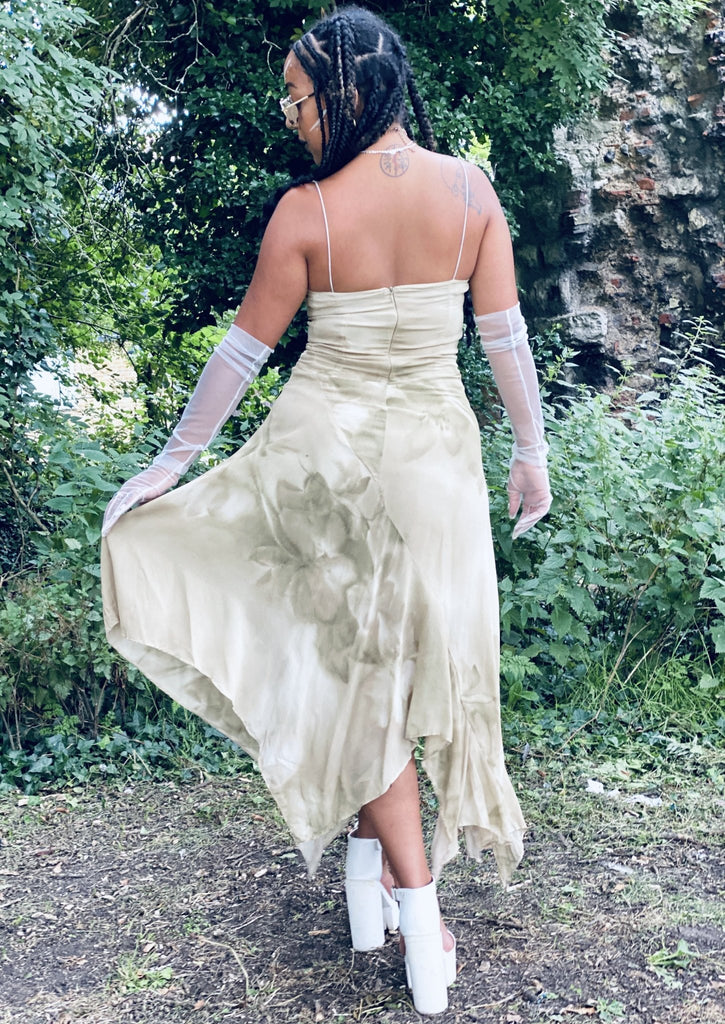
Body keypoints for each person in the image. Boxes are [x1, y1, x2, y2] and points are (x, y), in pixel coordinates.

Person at [101, 5, 551, 1015]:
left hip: (323, 463)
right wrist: (529, 453)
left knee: (356, 672)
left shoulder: (305, 213)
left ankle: (406, 907)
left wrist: (172, 463)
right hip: (433, 463)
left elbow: (240, 353)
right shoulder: (468, 192)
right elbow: (504, 336)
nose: (290, 117)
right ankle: (389, 900)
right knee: (391, 671)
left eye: (296, 99)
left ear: (344, 94)